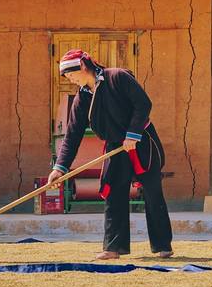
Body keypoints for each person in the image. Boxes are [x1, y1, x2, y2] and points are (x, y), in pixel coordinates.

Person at [48, 49, 173, 260]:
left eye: (71, 74)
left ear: (83, 67)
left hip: (142, 140)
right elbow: (72, 136)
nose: (70, 79)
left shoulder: (117, 77)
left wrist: (133, 134)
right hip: (116, 147)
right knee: (114, 192)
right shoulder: (82, 99)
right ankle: (113, 248)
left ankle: (163, 245)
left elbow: (143, 104)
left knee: (153, 193)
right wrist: (59, 169)